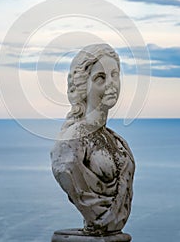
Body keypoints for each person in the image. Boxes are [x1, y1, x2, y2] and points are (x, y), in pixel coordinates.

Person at [51, 44, 135, 237]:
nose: (111, 84)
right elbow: (66, 170)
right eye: (101, 78)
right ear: (83, 85)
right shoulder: (71, 141)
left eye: (115, 75)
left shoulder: (118, 142)